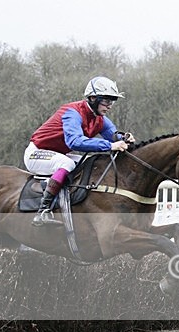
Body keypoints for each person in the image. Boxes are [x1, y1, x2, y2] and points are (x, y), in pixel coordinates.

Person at [25, 76, 134, 226]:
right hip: (37, 153)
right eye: (106, 100)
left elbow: (113, 136)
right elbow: (74, 141)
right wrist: (110, 146)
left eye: (112, 101)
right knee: (67, 164)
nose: (110, 106)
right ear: (93, 98)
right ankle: (43, 211)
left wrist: (124, 138)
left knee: (91, 164)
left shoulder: (100, 118)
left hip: (58, 153)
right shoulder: (72, 112)